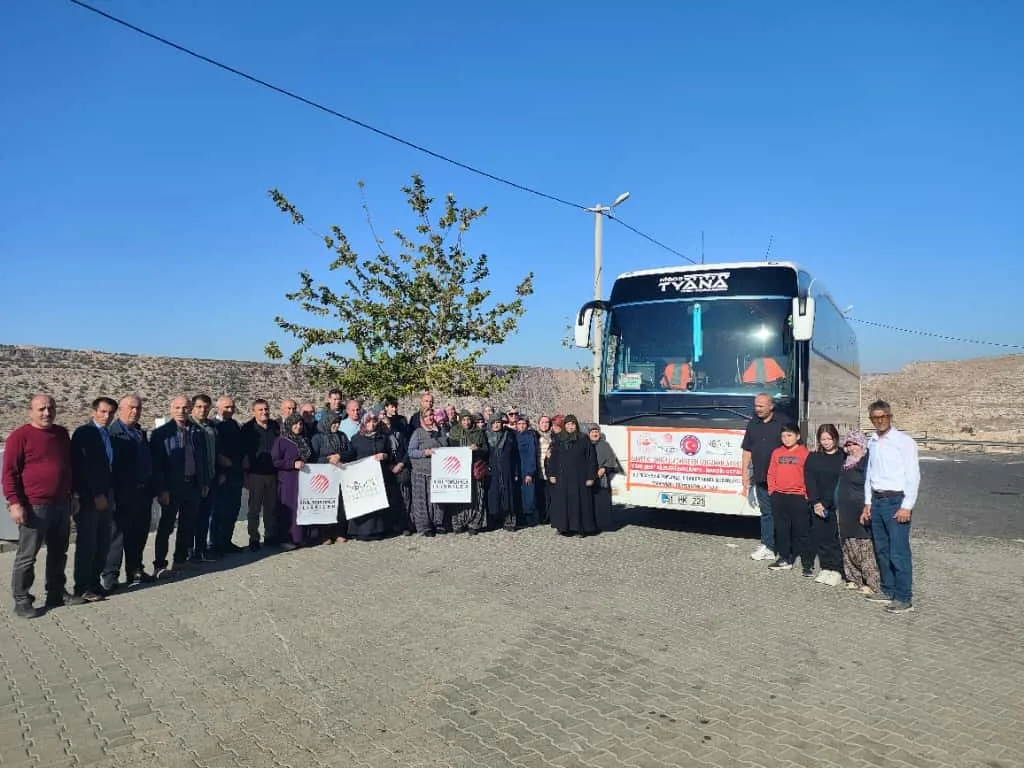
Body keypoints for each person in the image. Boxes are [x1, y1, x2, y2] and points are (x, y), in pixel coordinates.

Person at [3, 395, 73, 618]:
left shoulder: (61, 434)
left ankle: (56, 592)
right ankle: (22, 599)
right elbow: (9, 474)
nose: (46, 412)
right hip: (34, 506)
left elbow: (69, 466)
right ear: (30, 411)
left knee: (58, 552)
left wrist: (75, 496)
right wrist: (15, 503)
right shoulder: (20, 437)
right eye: (41, 408)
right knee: (27, 556)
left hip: (61, 503)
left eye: (50, 408)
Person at [861, 400, 920, 614]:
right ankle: (888, 589)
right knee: (882, 549)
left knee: (898, 551)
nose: (879, 421)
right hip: (877, 501)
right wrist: (868, 503)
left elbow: (913, 476)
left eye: (883, 417)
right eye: (875, 418)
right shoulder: (873, 441)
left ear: (890, 416)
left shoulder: (904, 441)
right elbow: (870, 474)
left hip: (896, 501)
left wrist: (907, 506)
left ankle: (904, 597)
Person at [150, 396, 209, 577]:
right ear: (171, 409)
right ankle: (159, 565)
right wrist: (161, 489)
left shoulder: (197, 432)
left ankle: (180, 560)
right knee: (166, 526)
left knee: (187, 525)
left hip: (192, 485)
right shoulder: (161, 434)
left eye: (184, 408)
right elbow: (156, 465)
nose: (181, 411)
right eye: (177, 407)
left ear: (190, 409)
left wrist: (204, 481)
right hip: (171, 488)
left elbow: (202, 459)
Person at [103, 395, 156, 589]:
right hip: (122, 493)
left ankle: (135, 569)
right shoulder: (113, 434)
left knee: (139, 534)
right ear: (121, 409)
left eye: (139, 408)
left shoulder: (139, 432)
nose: (135, 411)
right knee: (117, 536)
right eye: (131, 408)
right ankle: (110, 575)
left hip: (143, 493)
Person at [70, 397, 118, 601]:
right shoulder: (84, 433)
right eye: (103, 412)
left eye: (110, 413)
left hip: (107, 496)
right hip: (90, 498)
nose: (106, 416)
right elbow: (81, 468)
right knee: (87, 543)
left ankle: (95, 582)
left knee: (103, 542)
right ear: (94, 411)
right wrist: (94, 494)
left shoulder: (108, 434)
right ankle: (82, 586)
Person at [741, 393, 788, 562]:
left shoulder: (783, 422)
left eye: (761, 406)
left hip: (781, 478)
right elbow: (747, 450)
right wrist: (745, 474)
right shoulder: (753, 423)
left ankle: (784, 547)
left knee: (781, 513)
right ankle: (768, 546)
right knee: (766, 513)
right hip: (761, 477)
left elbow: (793, 447)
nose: (757, 409)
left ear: (771, 406)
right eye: (756, 406)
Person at [837, 431, 881, 595]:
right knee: (848, 544)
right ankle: (853, 578)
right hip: (845, 510)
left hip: (861, 508)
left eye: (854, 444)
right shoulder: (845, 463)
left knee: (865, 546)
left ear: (862, 444)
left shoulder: (867, 462)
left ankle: (872, 581)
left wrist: (868, 507)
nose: (851, 448)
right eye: (848, 445)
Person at [804, 424, 845, 586]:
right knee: (821, 536)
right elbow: (809, 479)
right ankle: (826, 566)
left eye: (829, 438)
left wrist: (825, 503)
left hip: (834, 503)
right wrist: (815, 502)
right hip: (817, 503)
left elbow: (838, 482)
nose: (826, 442)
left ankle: (837, 569)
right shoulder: (813, 457)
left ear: (835, 438)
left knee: (833, 537)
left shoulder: (843, 457)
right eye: (823, 439)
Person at [766, 422, 810, 572]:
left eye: (790, 435)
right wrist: (772, 491)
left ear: (798, 436)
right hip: (779, 495)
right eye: (783, 436)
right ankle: (784, 558)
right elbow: (771, 473)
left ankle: (805, 560)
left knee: (799, 530)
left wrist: (805, 494)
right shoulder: (777, 452)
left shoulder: (804, 453)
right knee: (782, 529)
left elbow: (808, 476)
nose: (786, 439)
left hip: (798, 497)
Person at [547, 415, 598, 536]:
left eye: (573, 424)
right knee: (563, 503)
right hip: (562, 477)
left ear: (576, 425)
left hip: (579, 477)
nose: (570, 426)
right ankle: (563, 527)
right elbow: (553, 458)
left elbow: (591, 459)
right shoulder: (559, 439)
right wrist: (551, 474)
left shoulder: (583, 438)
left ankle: (580, 529)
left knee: (579, 503)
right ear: (564, 425)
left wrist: (591, 477)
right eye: (568, 424)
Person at [240, 399, 279, 550]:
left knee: (271, 508)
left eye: (266, 409)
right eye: (261, 410)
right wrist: (245, 476)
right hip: (255, 474)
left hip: (272, 473)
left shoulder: (275, 426)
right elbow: (243, 454)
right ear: (253, 412)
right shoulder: (248, 429)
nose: (264, 412)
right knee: (254, 509)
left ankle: (269, 535)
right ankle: (254, 538)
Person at [311, 412, 355, 543]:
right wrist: (327, 459)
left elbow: (351, 451)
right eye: (333, 423)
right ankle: (325, 534)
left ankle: (339, 531)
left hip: (340, 475)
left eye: (338, 423)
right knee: (326, 505)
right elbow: (313, 457)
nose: (336, 425)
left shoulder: (342, 436)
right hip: (324, 477)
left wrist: (340, 456)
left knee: (340, 505)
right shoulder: (317, 438)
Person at [407, 408, 449, 536]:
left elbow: (446, 447)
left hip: (437, 471)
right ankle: (425, 527)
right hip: (421, 472)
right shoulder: (418, 433)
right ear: (422, 419)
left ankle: (438, 523)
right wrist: (425, 452)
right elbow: (411, 451)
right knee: (422, 501)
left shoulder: (440, 431)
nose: (430, 418)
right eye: (426, 416)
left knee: (437, 499)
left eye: (431, 415)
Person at [272, 414, 311, 548]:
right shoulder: (281, 441)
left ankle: (299, 537)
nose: (298, 427)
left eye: (300, 424)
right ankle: (285, 539)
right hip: (288, 480)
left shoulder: (304, 440)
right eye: (295, 424)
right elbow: (276, 461)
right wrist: (292, 464)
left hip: (303, 480)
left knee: (301, 508)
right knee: (288, 510)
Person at [211, 397, 244, 554]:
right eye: (226, 407)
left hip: (236, 473)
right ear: (218, 408)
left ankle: (226, 541)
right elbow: (215, 452)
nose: (230, 410)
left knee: (233, 508)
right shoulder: (213, 426)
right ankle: (214, 544)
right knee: (218, 510)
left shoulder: (234, 425)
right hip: (221, 475)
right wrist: (221, 471)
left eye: (232, 407)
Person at [447, 410, 487, 534]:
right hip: (459, 469)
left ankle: (474, 524)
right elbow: (449, 450)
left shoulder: (479, 433)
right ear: (460, 421)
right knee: (459, 496)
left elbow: (486, 450)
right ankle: (458, 523)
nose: (466, 422)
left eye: (468, 419)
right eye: (464, 420)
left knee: (476, 496)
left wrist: (478, 448)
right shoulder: (454, 432)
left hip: (474, 468)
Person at [486, 415, 520, 531]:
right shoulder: (486, 436)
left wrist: (515, 471)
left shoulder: (510, 435)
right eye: (494, 423)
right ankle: (495, 520)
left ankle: (509, 521)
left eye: (498, 422)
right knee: (494, 496)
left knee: (508, 495)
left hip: (507, 469)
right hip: (492, 470)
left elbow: (515, 455)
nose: (496, 425)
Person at [588, 423, 621, 532]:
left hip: (602, 479)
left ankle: (602, 525)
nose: (595, 434)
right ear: (589, 434)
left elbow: (612, 461)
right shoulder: (586, 445)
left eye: (596, 431)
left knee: (601, 502)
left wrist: (605, 469)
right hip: (588, 478)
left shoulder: (605, 445)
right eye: (592, 432)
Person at [515, 416, 539, 526]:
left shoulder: (530, 437)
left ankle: (531, 519)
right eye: (519, 423)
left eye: (524, 423)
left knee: (529, 495)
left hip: (527, 469)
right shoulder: (515, 436)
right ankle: (521, 518)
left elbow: (532, 455)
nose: (521, 425)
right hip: (518, 470)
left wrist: (530, 472)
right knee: (520, 495)